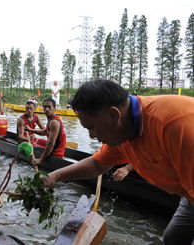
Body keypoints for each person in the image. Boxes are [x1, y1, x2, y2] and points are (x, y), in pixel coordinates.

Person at [43, 79, 194, 245]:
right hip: (188, 195)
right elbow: (98, 164)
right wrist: (55, 176)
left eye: (91, 127)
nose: (91, 136)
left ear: (114, 114)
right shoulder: (123, 129)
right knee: (173, 239)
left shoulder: (177, 126)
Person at [26, 98, 66, 162]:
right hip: (58, 150)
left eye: (49, 107)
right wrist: (31, 130)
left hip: (56, 154)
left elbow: (51, 143)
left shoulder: (54, 122)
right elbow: (45, 132)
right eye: (45, 107)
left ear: (55, 109)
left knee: (33, 146)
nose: (47, 109)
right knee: (37, 141)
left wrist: (40, 159)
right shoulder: (52, 119)